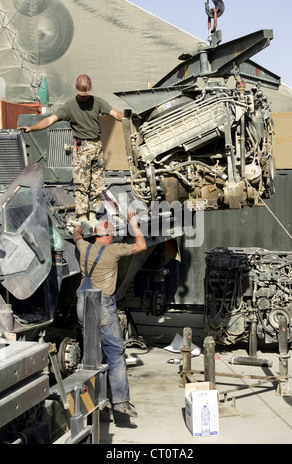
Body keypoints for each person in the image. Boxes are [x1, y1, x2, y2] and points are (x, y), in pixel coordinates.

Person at [18, 74, 124, 227]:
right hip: (82, 149)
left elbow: (115, 114)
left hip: (97, 148)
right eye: (81, 94)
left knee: (97, 183)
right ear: (76, 91)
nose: (84, 97)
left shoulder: (98, 102)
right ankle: (82, 216)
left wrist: (127, 118)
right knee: (82, 184)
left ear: (90, 91)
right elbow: (50, 120)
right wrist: (32, 128)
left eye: (86, 94)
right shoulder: (69, 106)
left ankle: (93, 214)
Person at [72, 212, 147, 417]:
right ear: (108, 237)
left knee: (92, 353)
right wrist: (134, 225)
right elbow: (141, 246)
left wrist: (79, 226)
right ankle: (121, 401)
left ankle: (93, 403)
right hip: (103, 305)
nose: (112, 238)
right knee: (115, 352)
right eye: (111, 235)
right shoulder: (113, 250)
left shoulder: (84, 247)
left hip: (83, 303)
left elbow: (76, 235)